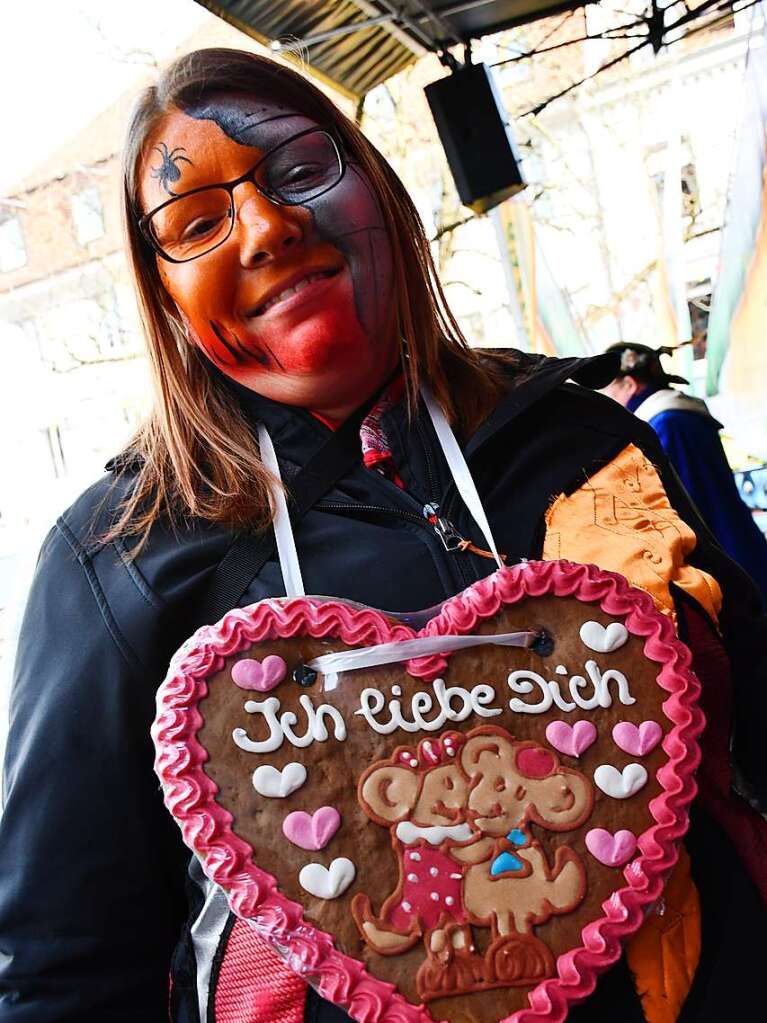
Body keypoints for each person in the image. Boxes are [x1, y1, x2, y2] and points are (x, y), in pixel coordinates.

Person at [1, 48, 766, 1023]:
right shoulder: (117, 556)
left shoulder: (589, 450)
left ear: (381, 193)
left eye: (301, 172)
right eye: (197, 223)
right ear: (160, 294)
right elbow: (65, 966)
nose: (270, 228)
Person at [601, 341, 767, 603]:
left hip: (715, 541)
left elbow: (679, 500)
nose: (610, 402)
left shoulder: (666, 424)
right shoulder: (679, 414)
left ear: (630, 385)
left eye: (610, 392)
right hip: (732, 530)